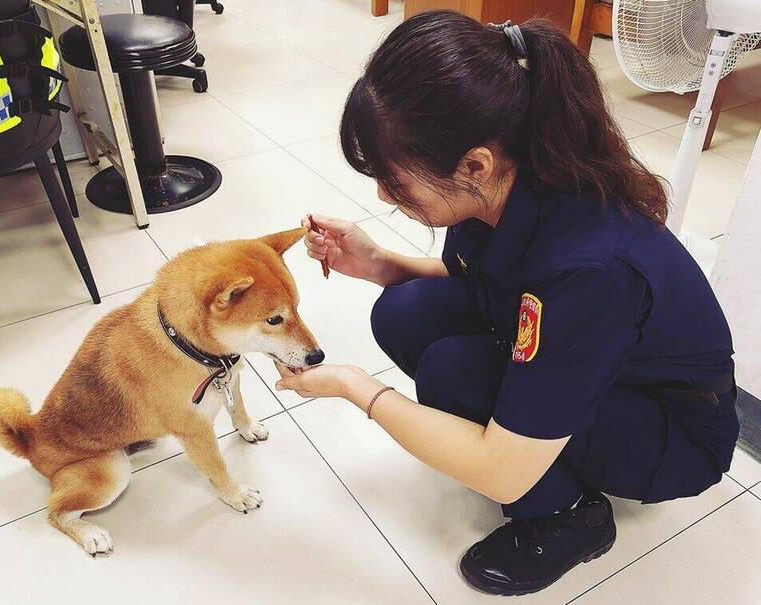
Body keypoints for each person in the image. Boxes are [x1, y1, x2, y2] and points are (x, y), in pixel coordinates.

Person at [274, 11, 739, 596]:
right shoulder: (510, 182)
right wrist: (377, 265)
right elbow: (479, 278)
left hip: (670, 428)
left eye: (396, 182)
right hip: (603, 362)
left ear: (474, 165)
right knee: (404, 309)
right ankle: (529, 435)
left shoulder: (588, 270)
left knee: (452, 373)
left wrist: (354, 388)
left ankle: (571, 518)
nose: (384, 196)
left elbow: (499, 469)